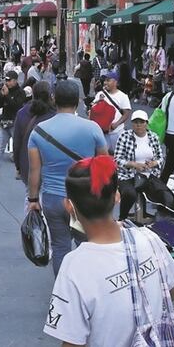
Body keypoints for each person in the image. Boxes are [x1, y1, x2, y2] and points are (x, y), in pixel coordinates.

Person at [44, 156, 174, 347]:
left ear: (69, 206)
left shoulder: (74, 266)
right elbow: (170, 292)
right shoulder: (148, 239)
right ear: (117, 196)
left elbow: (73, 341)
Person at [27, 80, 109, 275]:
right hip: (84, 198)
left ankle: (64, 295)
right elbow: (105, 165)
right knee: (87, 246)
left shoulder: (38, 131)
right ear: (78, 101)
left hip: (53, 199)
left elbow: (34, 171)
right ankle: (87, 290)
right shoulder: (92, 128)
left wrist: (32, 199)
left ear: (54, 99)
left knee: (60, 247)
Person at [114, 110, 171, 220]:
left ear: (147, 123)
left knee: (165, 195)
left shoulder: (153, 137)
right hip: (128, 175)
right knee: (129, 194)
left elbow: (160, 157)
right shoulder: (124, 136)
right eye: (135, 122)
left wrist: (154, 163)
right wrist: (134, 165)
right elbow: (117, 159)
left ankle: (161, 219)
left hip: (149, 175)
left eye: (141, 122)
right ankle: (122, 218)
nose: (138, 125)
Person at [0, 71, 27, 179]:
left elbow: (16, 106)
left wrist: (7, 95)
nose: (7, 82)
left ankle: (21, 170)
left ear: (15, 80)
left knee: (18, 148)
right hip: (4, 122)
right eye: (6, 80)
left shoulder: (20, 92)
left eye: (9, 80)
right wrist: (2, 95)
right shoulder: (5, 90)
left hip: (15, 123)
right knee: (0, 148)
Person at [13, 81, 55, 185]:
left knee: (31, 197)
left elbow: (17, 142)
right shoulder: (55, 115)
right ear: (50, 96)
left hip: (28, 165)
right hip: (51, 169)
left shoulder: (22, 113)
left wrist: (18, 165)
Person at [94, 71, 132, 152]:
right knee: (102, 157)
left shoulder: (123, 96)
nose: (105, 83)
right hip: (102, 133)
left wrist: (116, 124)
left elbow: (126, 114)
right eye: (104, 80)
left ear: (116, 82)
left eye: (108, 80)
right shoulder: (100, 94)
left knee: (118, 156)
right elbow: (93, 111)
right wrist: (97, 102)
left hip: (116, 133)